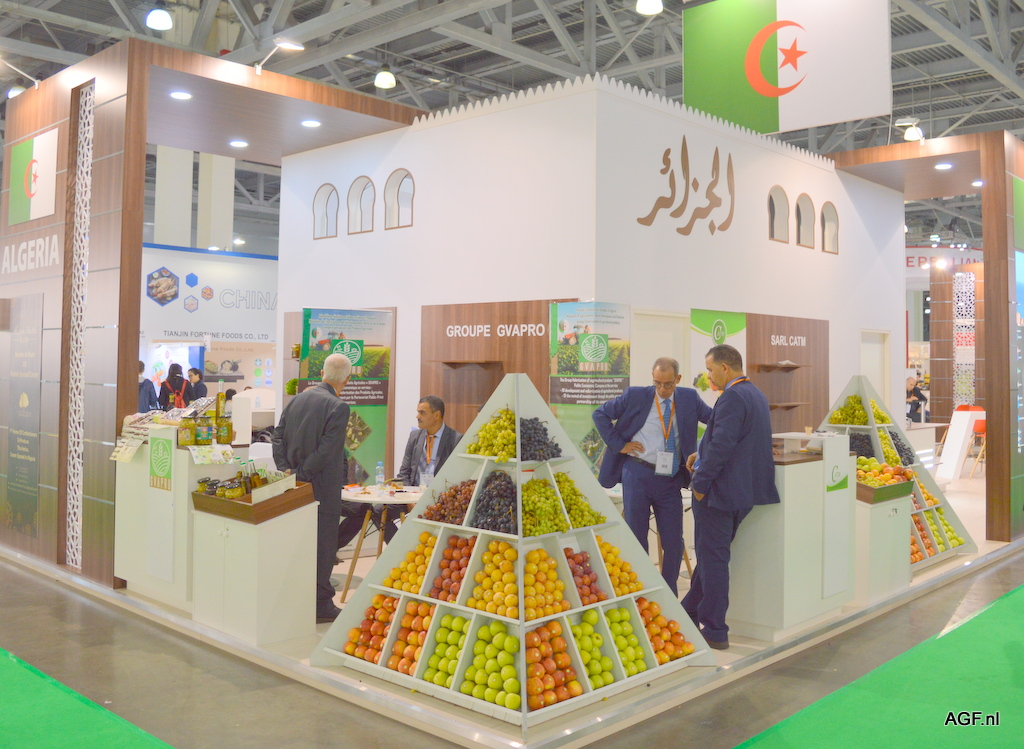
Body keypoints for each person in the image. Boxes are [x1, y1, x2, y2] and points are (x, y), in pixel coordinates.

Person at [682, 344, 780, 650]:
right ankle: (688, 611)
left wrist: (700, 484)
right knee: (712, 556)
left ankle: (714, 629)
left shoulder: (732, 397)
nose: (709, 376)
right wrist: (700, 453)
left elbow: (722, 446)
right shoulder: (756, 395)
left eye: (710, 370)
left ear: (725, 368)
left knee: (713, 560)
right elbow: (735, 442)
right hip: (742, 493)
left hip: (718, 494)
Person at [593, 357, 711, 596]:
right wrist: (620, 445)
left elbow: (716, 420)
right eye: (657, 383)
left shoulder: (689, 398)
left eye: (668, 384)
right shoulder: (636, 395)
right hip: (637, 473)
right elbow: (600, 415)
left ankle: (668, 594)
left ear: (678, 379)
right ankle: (642, 592)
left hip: (670, 479)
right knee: (637, 538)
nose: (662, 389)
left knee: (674, 542)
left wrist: (704, 451)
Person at [271, 354, 352, 623]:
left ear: (322, 373)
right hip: (322, 489)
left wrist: (287, 471)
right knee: (323, 547)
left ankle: (297, 600)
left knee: (298, 544)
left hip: (292, 486)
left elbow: (277, 436)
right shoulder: (338, 407)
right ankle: (320, 605)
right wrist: (302, 475)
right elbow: (328, 451)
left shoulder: (298, 399)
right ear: (347, 379)